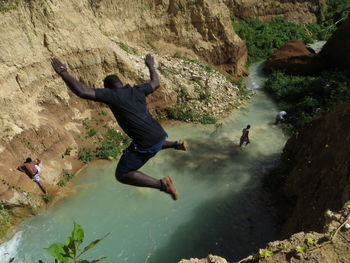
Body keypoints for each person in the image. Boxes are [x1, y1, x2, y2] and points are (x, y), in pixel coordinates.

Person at [51, 54, 186, 200]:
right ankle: (176, 144)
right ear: (121, 82)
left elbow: (82, 91)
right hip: (158, 133)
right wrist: (150, 65)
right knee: (149, 143)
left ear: (107, 88)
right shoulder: (137, 90)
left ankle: (162, 185)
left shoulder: (111, 95)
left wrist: (63, 72)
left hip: (146, 141)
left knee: (122, 174)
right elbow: (155, 83)